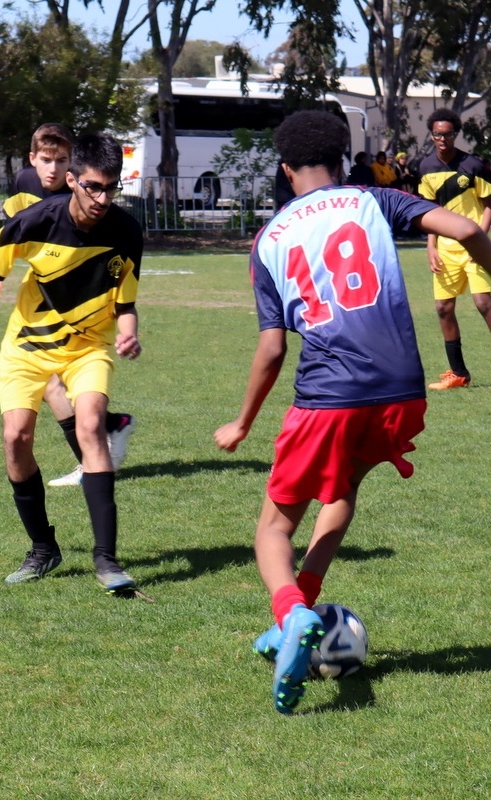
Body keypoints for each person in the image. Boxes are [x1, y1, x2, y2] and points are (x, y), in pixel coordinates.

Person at [213, 109, 491, 714]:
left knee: (273, 527)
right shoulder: (374, 199)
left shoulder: (272, 238)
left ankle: (290, 615)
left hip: (329, 394)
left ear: (286, 171)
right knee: (342, 490)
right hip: (401, 389)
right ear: (343, 159)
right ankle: (303, 607)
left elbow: (272, 346)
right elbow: (467, 234)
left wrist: (242, 422)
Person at [0, 133, 143, 592]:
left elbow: (126, 301)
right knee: (15, 437)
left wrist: (128, 332)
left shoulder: (125, 231)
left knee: (90, 427)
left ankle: (107, 561)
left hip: (87, 348)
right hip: (26, 346)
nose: (102, 198)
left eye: (111, 188)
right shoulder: (37, 219)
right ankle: (43, 549)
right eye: (93, 187)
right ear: (73, 180)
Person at [0, 123, 136, 484]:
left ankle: (97, 447)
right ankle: (102, 439)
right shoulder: (24, 185)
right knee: (47, 383)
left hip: (79, 302)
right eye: (47, 160)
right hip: (42, 296)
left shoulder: (82, 192)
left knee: (55, 381)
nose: (54, 169)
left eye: (62, 160)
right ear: (32, 160)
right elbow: (14, 239)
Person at [418, 108, 491, 390]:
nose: (442, 138)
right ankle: (458, 374)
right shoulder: (425, 168)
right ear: (432, 134)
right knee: (443, 308)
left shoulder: (473, 165)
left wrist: (478, 240)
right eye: (437, 133)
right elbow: (428, 211)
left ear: (455, 134)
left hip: (474, 247)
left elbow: (488, 207)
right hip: (446, 249)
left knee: (484, 304)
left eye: (447, 133)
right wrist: (431, 246)